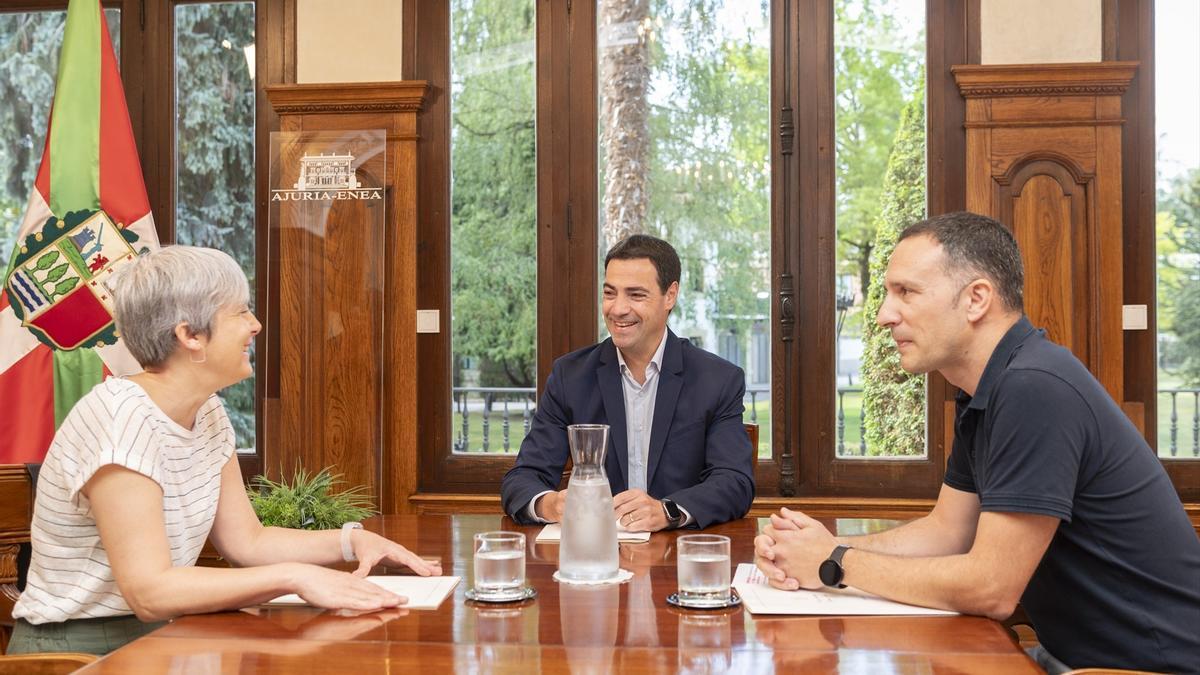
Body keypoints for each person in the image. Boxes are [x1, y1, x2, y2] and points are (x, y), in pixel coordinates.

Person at [754, 212, 1200, 674]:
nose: (885, 315)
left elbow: (992, 588)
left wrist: (834, 563)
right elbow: (948, 532)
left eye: (905, 292)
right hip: (1070, 659)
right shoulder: (988, 390)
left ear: (976, 299)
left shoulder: (1034, 387)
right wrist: (821, 548)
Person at [9, 246, 440, 656]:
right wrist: (297, 577)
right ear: (190, 335)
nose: (255, 325)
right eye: (240, 311)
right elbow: (150, 592)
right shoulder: (120, 417)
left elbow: (248, 543)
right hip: (79, 650)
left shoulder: (207, 410)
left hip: (165, 634)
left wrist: (353, 541)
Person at [501, 234, 754, 530]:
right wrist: (551, 504)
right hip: (594, 553)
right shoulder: (570, 376)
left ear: (669, 296)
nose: (618, 309)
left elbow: (734, 482)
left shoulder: (718, 380)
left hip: (676, 557)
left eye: (635, 295)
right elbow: (522, 478)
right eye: (610, 293)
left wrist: (666, 511)